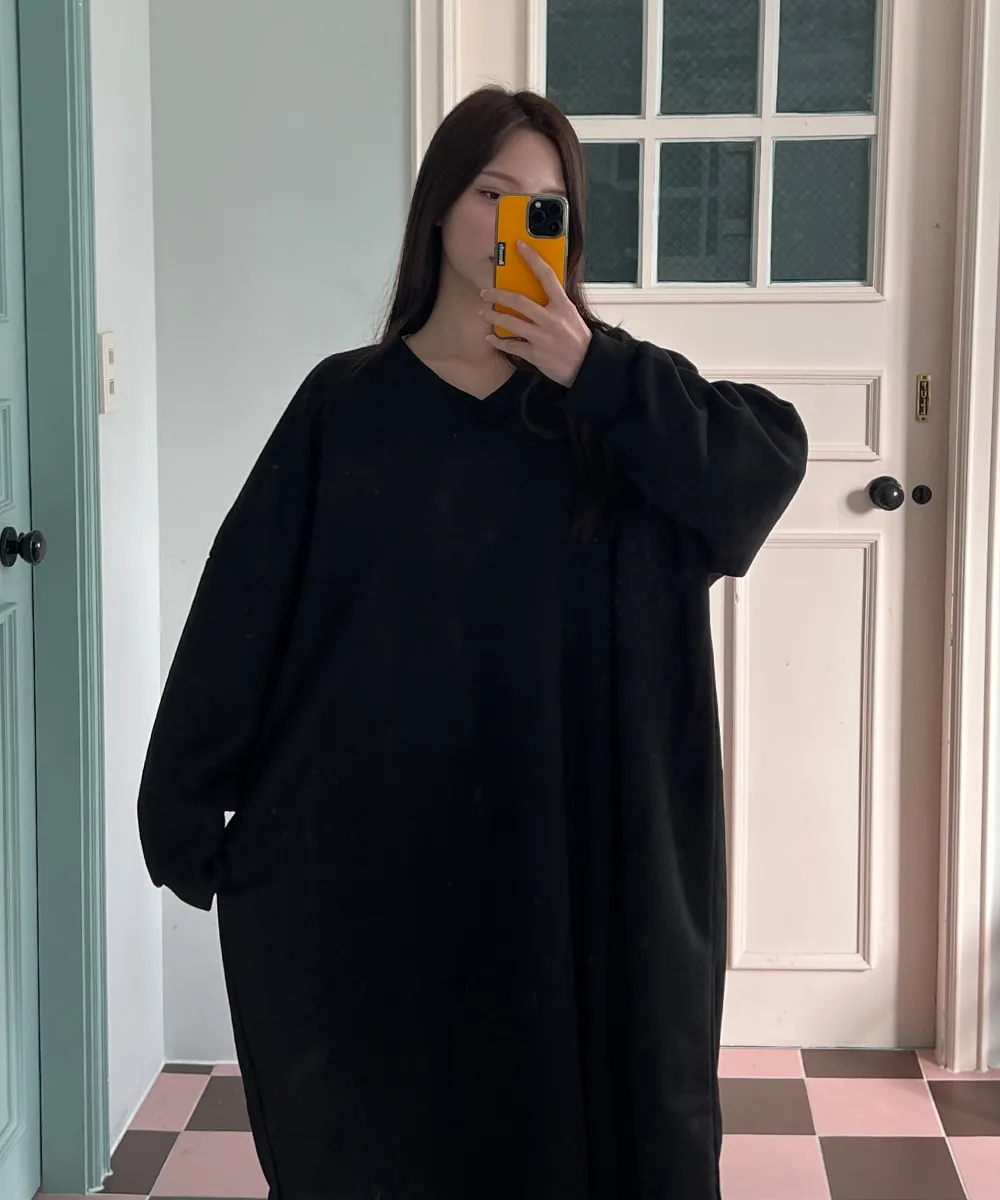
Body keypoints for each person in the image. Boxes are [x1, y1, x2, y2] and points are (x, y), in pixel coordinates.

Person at [138, 86, 808, 1200]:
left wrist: (594, 372)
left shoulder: (613, 410)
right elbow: (246, 608)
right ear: (440, 206)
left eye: (544, 207)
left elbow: (757, 476)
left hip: (576, 860)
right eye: (491, 193)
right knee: (402, 1129)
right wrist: (186, 804)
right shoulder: (347, 408)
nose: (512, 222)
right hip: (391, 862)